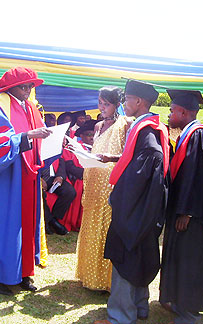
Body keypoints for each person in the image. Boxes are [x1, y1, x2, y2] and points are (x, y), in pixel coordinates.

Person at [94, 80, 170, 324]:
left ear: (139, 101)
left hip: (134, 210)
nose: (124, 103)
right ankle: (139, 307)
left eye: (127, 99)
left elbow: (138, 178)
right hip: (146, 210)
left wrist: (120, 201)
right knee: (140, 256)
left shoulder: (146, 135)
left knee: (126, 259)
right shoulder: (151, 129)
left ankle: (119, 317)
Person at [159, 89, 203, 324]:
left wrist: (186, 211)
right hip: (189, 211)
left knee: (191, 260)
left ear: (184, 111)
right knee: (182, 257)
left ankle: (188, 311)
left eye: (171, 112)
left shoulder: (199, 136)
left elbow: (198, 177)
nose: (169, 116)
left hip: (195, 214)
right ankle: (178, 302)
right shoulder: (191, 134)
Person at [0, 67, 52, 295]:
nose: (28, 90)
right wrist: (27, 136)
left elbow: (39, 137)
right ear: (11, 88)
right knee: (3, 225)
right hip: (5, 178)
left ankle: (24, 272)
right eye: (24, 86)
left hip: (28, 175)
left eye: (31, 86)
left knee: (26, 225)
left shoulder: (30, 107)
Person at [76, 86, 132, 292]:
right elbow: (96, 151)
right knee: (91, 224)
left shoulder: (126, 124)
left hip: (110, 183)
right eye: (99, 103)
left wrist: (111, 158)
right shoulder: (98, 125)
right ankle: (88, 275)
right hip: (92, 180)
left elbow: (130, 154)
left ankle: (104, 280)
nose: (101, 107)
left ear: (117, 104)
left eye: (106, 104)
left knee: (105, 226)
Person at [41, 157, 75, 235]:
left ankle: (55, 219)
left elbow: (61, 162)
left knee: (70, 192)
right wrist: (39, 179)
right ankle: (51, 222)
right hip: (40, 178)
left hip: (53, 178)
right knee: (40, 194)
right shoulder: (36, 146)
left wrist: (60, 176)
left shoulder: (55, 146)